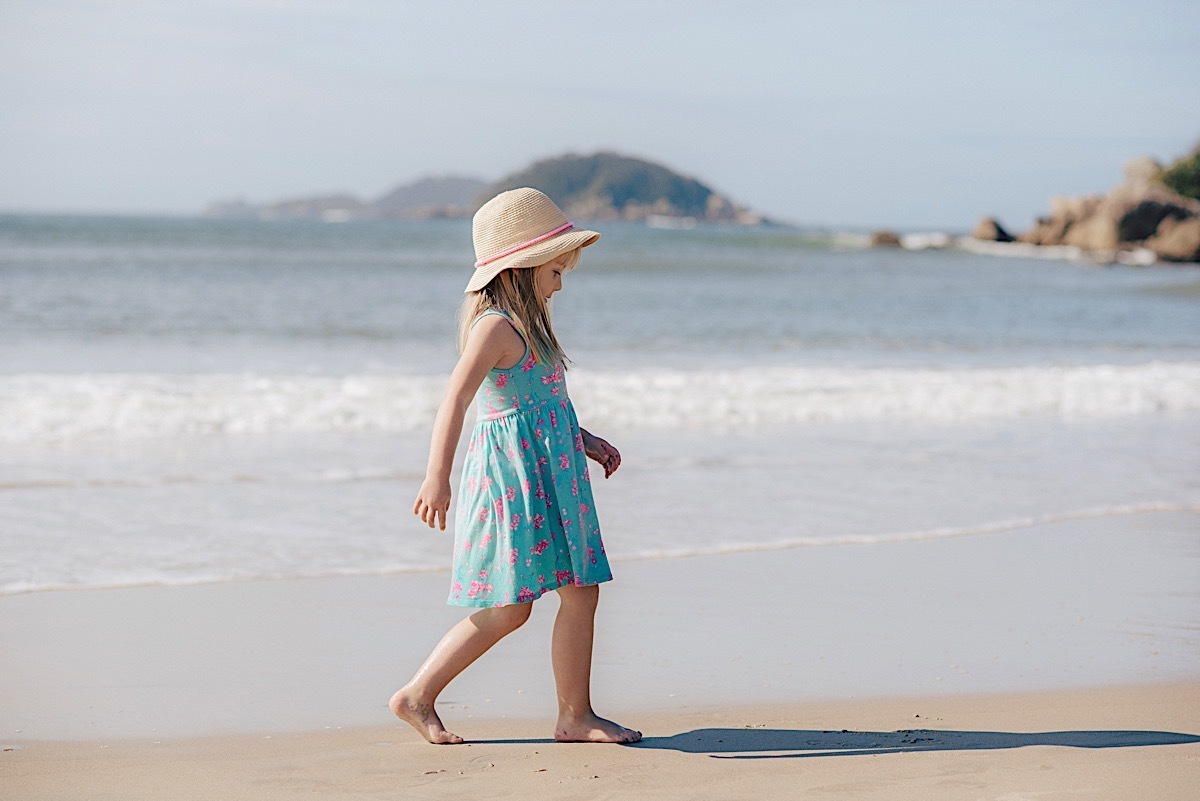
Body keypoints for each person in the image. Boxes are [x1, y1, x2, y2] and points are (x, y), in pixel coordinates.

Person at [390, 187, 642, 745]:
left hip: (555, 473)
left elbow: (542, 406)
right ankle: (417, 695)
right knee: (509, 608)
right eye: (555, 269)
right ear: (522, 269)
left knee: (582, 589)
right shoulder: (495, 327)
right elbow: (455, 399)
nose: (561, 282)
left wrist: (585, 439)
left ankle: (575, 716)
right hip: (514, 482)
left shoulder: (537, 328)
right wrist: (438, 476)